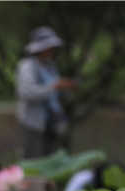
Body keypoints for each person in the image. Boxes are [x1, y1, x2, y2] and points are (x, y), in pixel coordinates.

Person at [15, 27, 77, 159]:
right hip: (34, 124)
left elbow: (56, 93)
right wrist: (54, 87)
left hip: (52, 123)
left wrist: (66, 88)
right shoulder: (27, 66)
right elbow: (27, 93)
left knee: (51, 160)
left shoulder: (50, 66)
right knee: (33, 161)